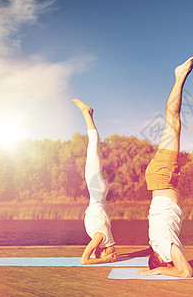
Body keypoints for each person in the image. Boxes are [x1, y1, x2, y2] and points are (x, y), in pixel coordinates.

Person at [137, 55, 193, 278]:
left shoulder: (164, 245)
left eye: (167, 263)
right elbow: (176, 266)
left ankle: (179, 76)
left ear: (162, 259)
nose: (172, 262)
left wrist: (160, 271)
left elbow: (185, 273)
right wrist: (156, 268)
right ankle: (180, 76)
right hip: (163, 179)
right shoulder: (158, 243)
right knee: (173, 122)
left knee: (173, 120)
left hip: (163, 176)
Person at [72, 98, 118, 265]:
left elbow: (86, 260)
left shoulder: (100, 237)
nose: (115, 255)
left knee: (94, 150)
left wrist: (104, 259)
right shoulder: (103, 237)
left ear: (104, 250)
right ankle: (86, 113)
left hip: (98, 193)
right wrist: (105, 259)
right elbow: (86, 260)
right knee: (93, 149)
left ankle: (88, 114)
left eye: (112, 255)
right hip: (97, 193)